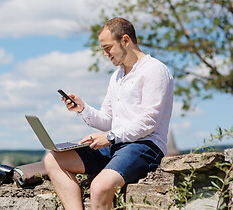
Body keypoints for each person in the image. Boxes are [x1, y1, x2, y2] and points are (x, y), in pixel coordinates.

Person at [43, 17, 174, 210]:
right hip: (117, 144)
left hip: (145, 146)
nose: (105, 54)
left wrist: (110, 137)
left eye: (108, 47)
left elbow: (149, 121)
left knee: (100, 186)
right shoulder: (117, 76)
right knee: (52, 159)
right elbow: (108, 119)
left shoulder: (155, 70)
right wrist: (82, 108)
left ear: (125, 40)